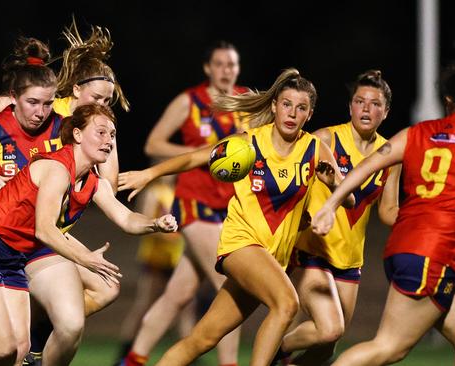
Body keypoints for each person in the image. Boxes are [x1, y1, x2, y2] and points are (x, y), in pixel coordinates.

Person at [0, 103, 177, 366]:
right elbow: (44, 230)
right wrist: (85, 258)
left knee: (18, 349)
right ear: (78, 135)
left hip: (13, 258)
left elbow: (126, 218)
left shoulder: (92, 181)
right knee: (0, 343)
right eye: (102, 133)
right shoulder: (58, 169)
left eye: (113, 135)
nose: (109, 141)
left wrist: (155, 224)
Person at [119, 68, 354, 366]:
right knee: (287, 303)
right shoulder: (248, 143)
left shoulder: (315, 149)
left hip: (272, 258)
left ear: (310, 114)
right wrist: (149, 173)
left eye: (301, 107)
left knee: (201, 339)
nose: (292, 113)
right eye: (286, 104)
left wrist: (334, 183)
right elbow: (194, 157)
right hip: (240, 246)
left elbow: (349, 197)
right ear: (273, 106)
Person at [0, 22, 131, 366]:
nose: (103, 104)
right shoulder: (44, 109)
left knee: (103, 288)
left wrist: (107, 134)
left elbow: (111, 188)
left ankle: (37, 335)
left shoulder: (82, 131)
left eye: (108, 101)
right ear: (75, 90)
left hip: (38, 241)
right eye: (98, 98)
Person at [312, 62, 455, 366]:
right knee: (388, 348)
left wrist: (331, 203)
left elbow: (366, 166)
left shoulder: (416, 133)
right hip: (433, 255)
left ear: (447, 101)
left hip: (405, 248)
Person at [120, 41, 248, 366]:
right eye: (219, 64)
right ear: (208, 68)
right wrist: (204, 154)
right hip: (195, 205)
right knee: (231, 287)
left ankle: (132, 360)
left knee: (177, 295)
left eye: (231, 65)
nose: (226, 70)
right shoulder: (189, 101)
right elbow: (153, 143)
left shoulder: (247, 101)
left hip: (231, 208)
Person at [273, 70, 401, 365]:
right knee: (329, 330)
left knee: (326, 348)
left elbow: (388, 211)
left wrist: (426, 216)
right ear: (350, 107)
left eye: (375, 103)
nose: (366, 108)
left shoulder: (390, 155)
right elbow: (290, 180)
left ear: (387, 111)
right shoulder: (325, 139)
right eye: (359, 101)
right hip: (312, 251)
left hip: (349, 261)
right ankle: (274, 348)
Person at [114, 176, 199, 364]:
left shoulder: (181, 192)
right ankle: (125, 351)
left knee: (187, 307)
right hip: (156, 256)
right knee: (145, 304)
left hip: (177, 256)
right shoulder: (154, 192)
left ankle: (191, 354)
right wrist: (170, 234)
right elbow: (144, 220)